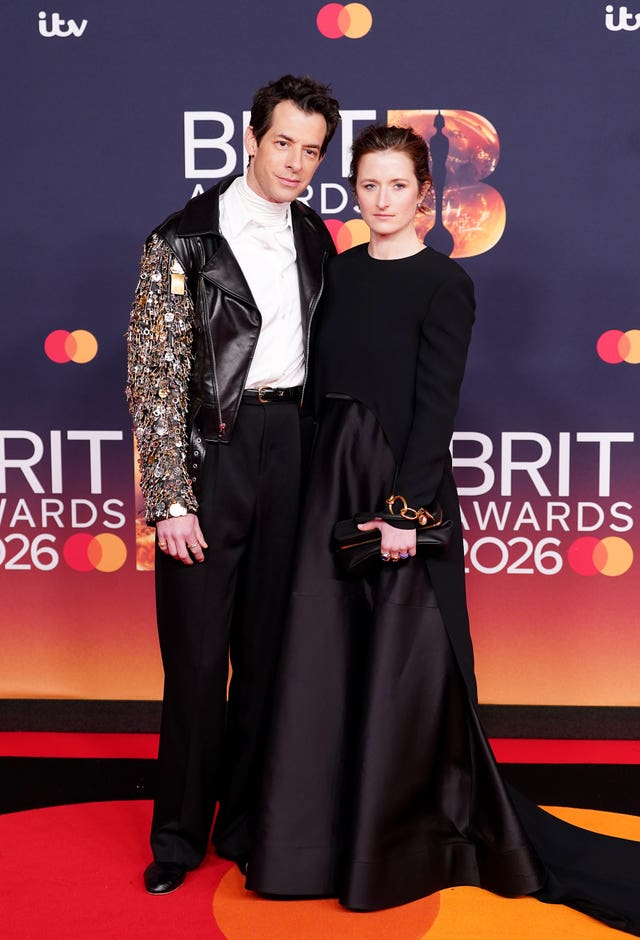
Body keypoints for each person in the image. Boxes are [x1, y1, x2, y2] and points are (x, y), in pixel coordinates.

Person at [246, 125, 640, 936]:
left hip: (397, 490)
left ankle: (392, 840)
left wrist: (405, 513)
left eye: (397, 187)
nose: (381, 201)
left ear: (425, 197)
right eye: (368, 186)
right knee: (325, 661)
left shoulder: (443, 284)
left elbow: (437, 409)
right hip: (328, 485)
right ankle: (309, 843)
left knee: (403, 667)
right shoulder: (335, 273)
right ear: (353, 193)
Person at [126, 74, 340, 896]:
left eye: (311, 150)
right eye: (282, 142)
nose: (295, 162)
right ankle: (179, 836)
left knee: (266, 654)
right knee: (194, 659)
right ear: (250, 138)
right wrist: (169, 496)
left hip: (291, 445)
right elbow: (152, 376)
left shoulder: (318, 236)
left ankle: (248, 824)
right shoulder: (182, 237)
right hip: (212, 455)